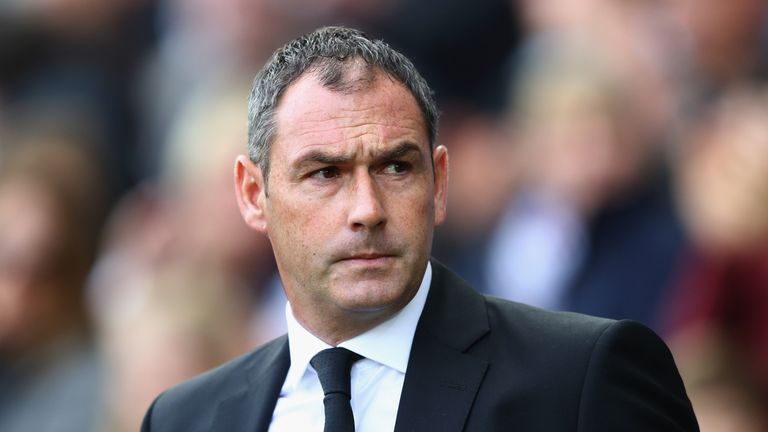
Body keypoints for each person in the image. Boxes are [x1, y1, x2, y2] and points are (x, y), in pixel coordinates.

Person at [141, 26, 698, 431]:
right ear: (252, 194)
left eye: (395, 167)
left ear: (440, 183)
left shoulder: (582, 378)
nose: (367, 208)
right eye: (325, 173)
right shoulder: (185, 420)